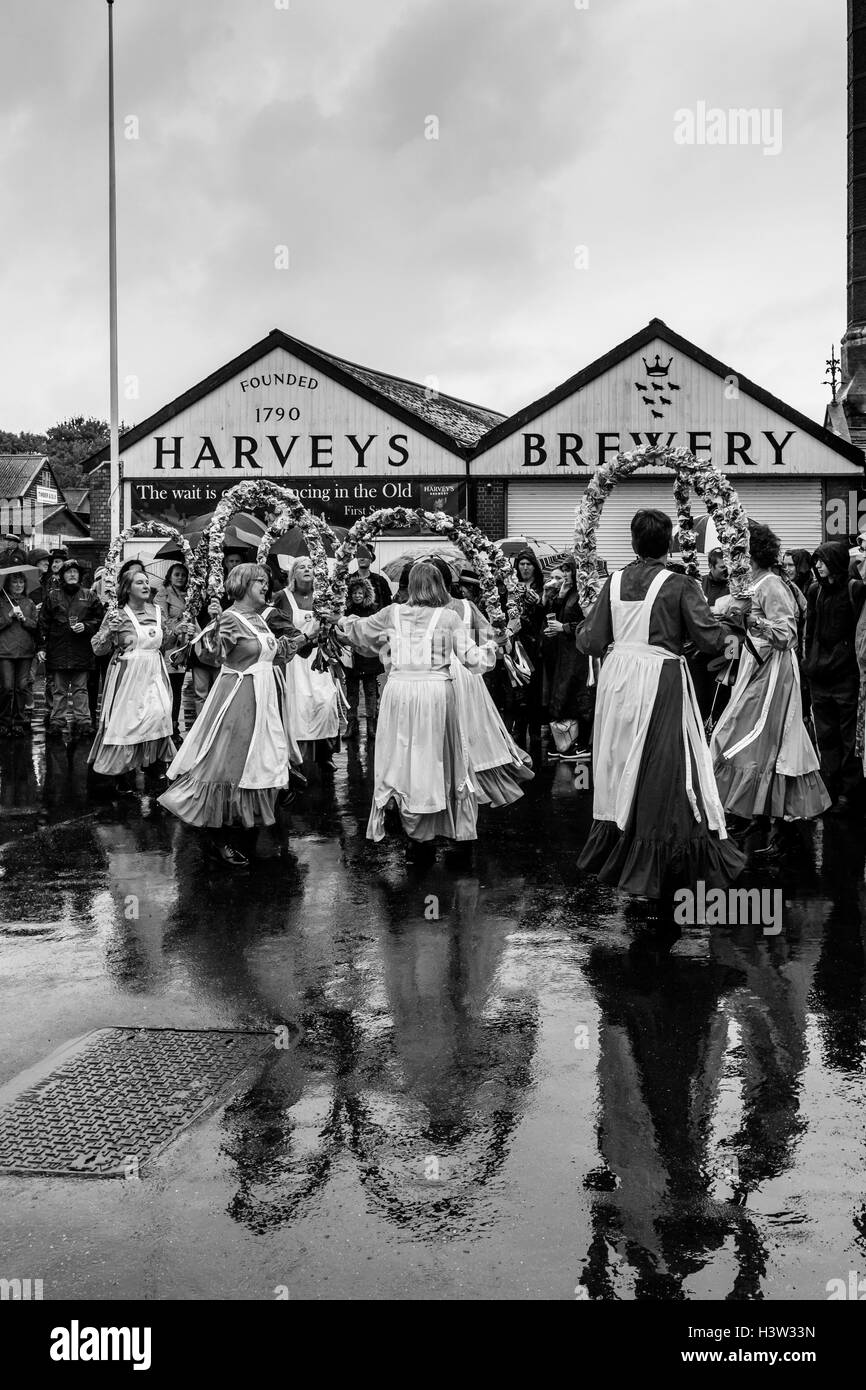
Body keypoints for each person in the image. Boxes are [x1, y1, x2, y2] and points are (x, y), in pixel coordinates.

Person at [576, 508, 745, 901]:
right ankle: (660, 856)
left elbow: (590, 641)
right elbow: (706, 638)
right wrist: (731, 627)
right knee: (665, 766)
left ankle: (618, 843)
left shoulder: (613, 581)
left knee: (620, 761)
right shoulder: (681, 584)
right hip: (659, 677)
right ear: (668, 542)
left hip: (618, 678)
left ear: (634, 542)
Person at [337, 560, 503, 847]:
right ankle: (440, 817)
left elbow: (358, 632)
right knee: (437, 756)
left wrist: (337, 620)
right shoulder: (449, 618)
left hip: (399, 692)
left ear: (411, 586)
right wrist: (492, 646)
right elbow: (473, 661)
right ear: (440, 585)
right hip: (435, 693)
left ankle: (408, 816)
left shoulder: (392, 614)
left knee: (401, 754)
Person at [159, 563, 303, 868]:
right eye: (258, 582)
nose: (265, 586)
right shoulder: (229, 618)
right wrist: (209, 632)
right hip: (238, 696)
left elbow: (275, 653)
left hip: (263, 696)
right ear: (241, 585)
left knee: (259, 759)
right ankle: (217, 835)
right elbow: (211, 655)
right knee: (229, 762)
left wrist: (306, 638)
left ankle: (245, 820)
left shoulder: (259, 619)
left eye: (266, 581)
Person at [710, 525, 830, 839]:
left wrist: (753, 621)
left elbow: (787, 634)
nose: (734, 556)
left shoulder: (771, 584)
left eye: (739, 550)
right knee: (750, 734)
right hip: (756, 665)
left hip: (773, 669)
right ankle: (753, 810)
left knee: (752, 733)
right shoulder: (752, 583)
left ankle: (756, 812)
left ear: (753, 553)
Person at [447, 580, 534, 806]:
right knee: (470, 726)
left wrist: (505, 631)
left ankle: (458, 778)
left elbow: (490, 636)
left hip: (451, 671)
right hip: (465, 670)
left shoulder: (458, 607)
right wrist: (505, 632)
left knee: (462, 727)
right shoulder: (465, 607)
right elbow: (492, 637)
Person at [88, 569, 177, 787]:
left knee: (159, 714)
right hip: (128, 675)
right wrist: (109, 632)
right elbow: (98, 649)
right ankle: (119, 771)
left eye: (147, 582)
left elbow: (166, 644)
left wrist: (180, 633)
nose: (146, 585)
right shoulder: (116, 614)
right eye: (140, 582)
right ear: (127, 589)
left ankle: (154, 763)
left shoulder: (157, 612)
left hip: (155, 672)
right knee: (127, 722)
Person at [802, 540, 864, 814]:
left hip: (846, 677)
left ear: (835, 563)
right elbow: (810, 631)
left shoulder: (855, 590)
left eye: (822, 561)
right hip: (820, 677)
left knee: (848, 736)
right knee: (826, 736)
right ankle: (831, 789)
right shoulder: (815, 590)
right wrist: (808, 664)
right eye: (816, 561)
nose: (817, 566)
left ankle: (849, 794)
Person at [274, 556, 342, 768]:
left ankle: (326, 752)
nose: (306, 570)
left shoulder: (323, 597)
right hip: (294, 660)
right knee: (298, 705)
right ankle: (296, 756)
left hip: (318, 657)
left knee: (325, 702)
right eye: (301, 567)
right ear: (293, 573)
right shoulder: (281, 597)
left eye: (310, 567)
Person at [37, 560, 103, 740]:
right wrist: (42, 647)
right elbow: (43, 623)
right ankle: (57, 721)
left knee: (80, 689)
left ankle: (84, 722)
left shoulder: (90, 596)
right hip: (58, 649)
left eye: (75, 572)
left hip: (82, 650)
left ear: (80, 576)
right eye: (68, 572)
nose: (72, 575)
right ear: (63, 575)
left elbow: (100, 620)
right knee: (59, 689)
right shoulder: (52, 596)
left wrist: (87, 626)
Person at [543, 557, 593, 762]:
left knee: (576, 693)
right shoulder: (565, 593)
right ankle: (565, 740)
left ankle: (580, 743)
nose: (564, 574)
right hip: (564, 651)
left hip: (577, 652)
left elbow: (586, 623)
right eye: (562, 571)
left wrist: (563, 628)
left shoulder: (582, 594)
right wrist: (554, 595)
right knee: (563, 693)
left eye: (567, 571)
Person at [504, 548, 546, 751]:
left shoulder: (542, 587)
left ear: (534, 567)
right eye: (522, 564)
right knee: (517, 688)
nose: (525, 567)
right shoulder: (511, 587)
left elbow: (548, 612)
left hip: (534, 644)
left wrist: (537, 603)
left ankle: (536, 731)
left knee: (534, 688)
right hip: (515, 644)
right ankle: (518, 731)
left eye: (529, 564)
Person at [343, 574, 383, 739]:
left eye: (360, 593)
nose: (357, 596)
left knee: (370, 691)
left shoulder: (373, 610)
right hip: (352, 656)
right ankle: (352, 724)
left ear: (366, 594)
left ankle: (372, 725)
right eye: (354, 593)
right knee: (351, 691)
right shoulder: (346, 610)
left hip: (369, 657)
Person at [156, 562, 191, 744]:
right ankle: (164, 724)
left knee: (177, 688)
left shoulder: (190, 595)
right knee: (166, 687)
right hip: (169, 644)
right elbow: (160, 618)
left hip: (183, 645)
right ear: (170, 576)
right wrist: (177, 623)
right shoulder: (163, 594)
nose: (180, 578)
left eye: (183, 575)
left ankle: (174, 724)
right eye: (176, 574)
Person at [0, 571, 38, 736]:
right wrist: (8, 616)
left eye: (21, 582)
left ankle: (19, 721)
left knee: (22, 687)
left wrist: (24, 620)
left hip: (24, 652)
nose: (18, 585)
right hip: (4, 651)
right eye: (14, 582)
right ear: (8, 584)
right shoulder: (1, 603)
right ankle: (4, 721)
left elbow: (36, 626)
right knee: (7, 688)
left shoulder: (29, 603)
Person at [353, 543, 392, 608]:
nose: (362, 558)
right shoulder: (348, 579)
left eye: (365, 555)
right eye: (359, 555)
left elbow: (387, 604)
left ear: (371, 560)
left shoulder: (380, 581)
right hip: (352, 617)